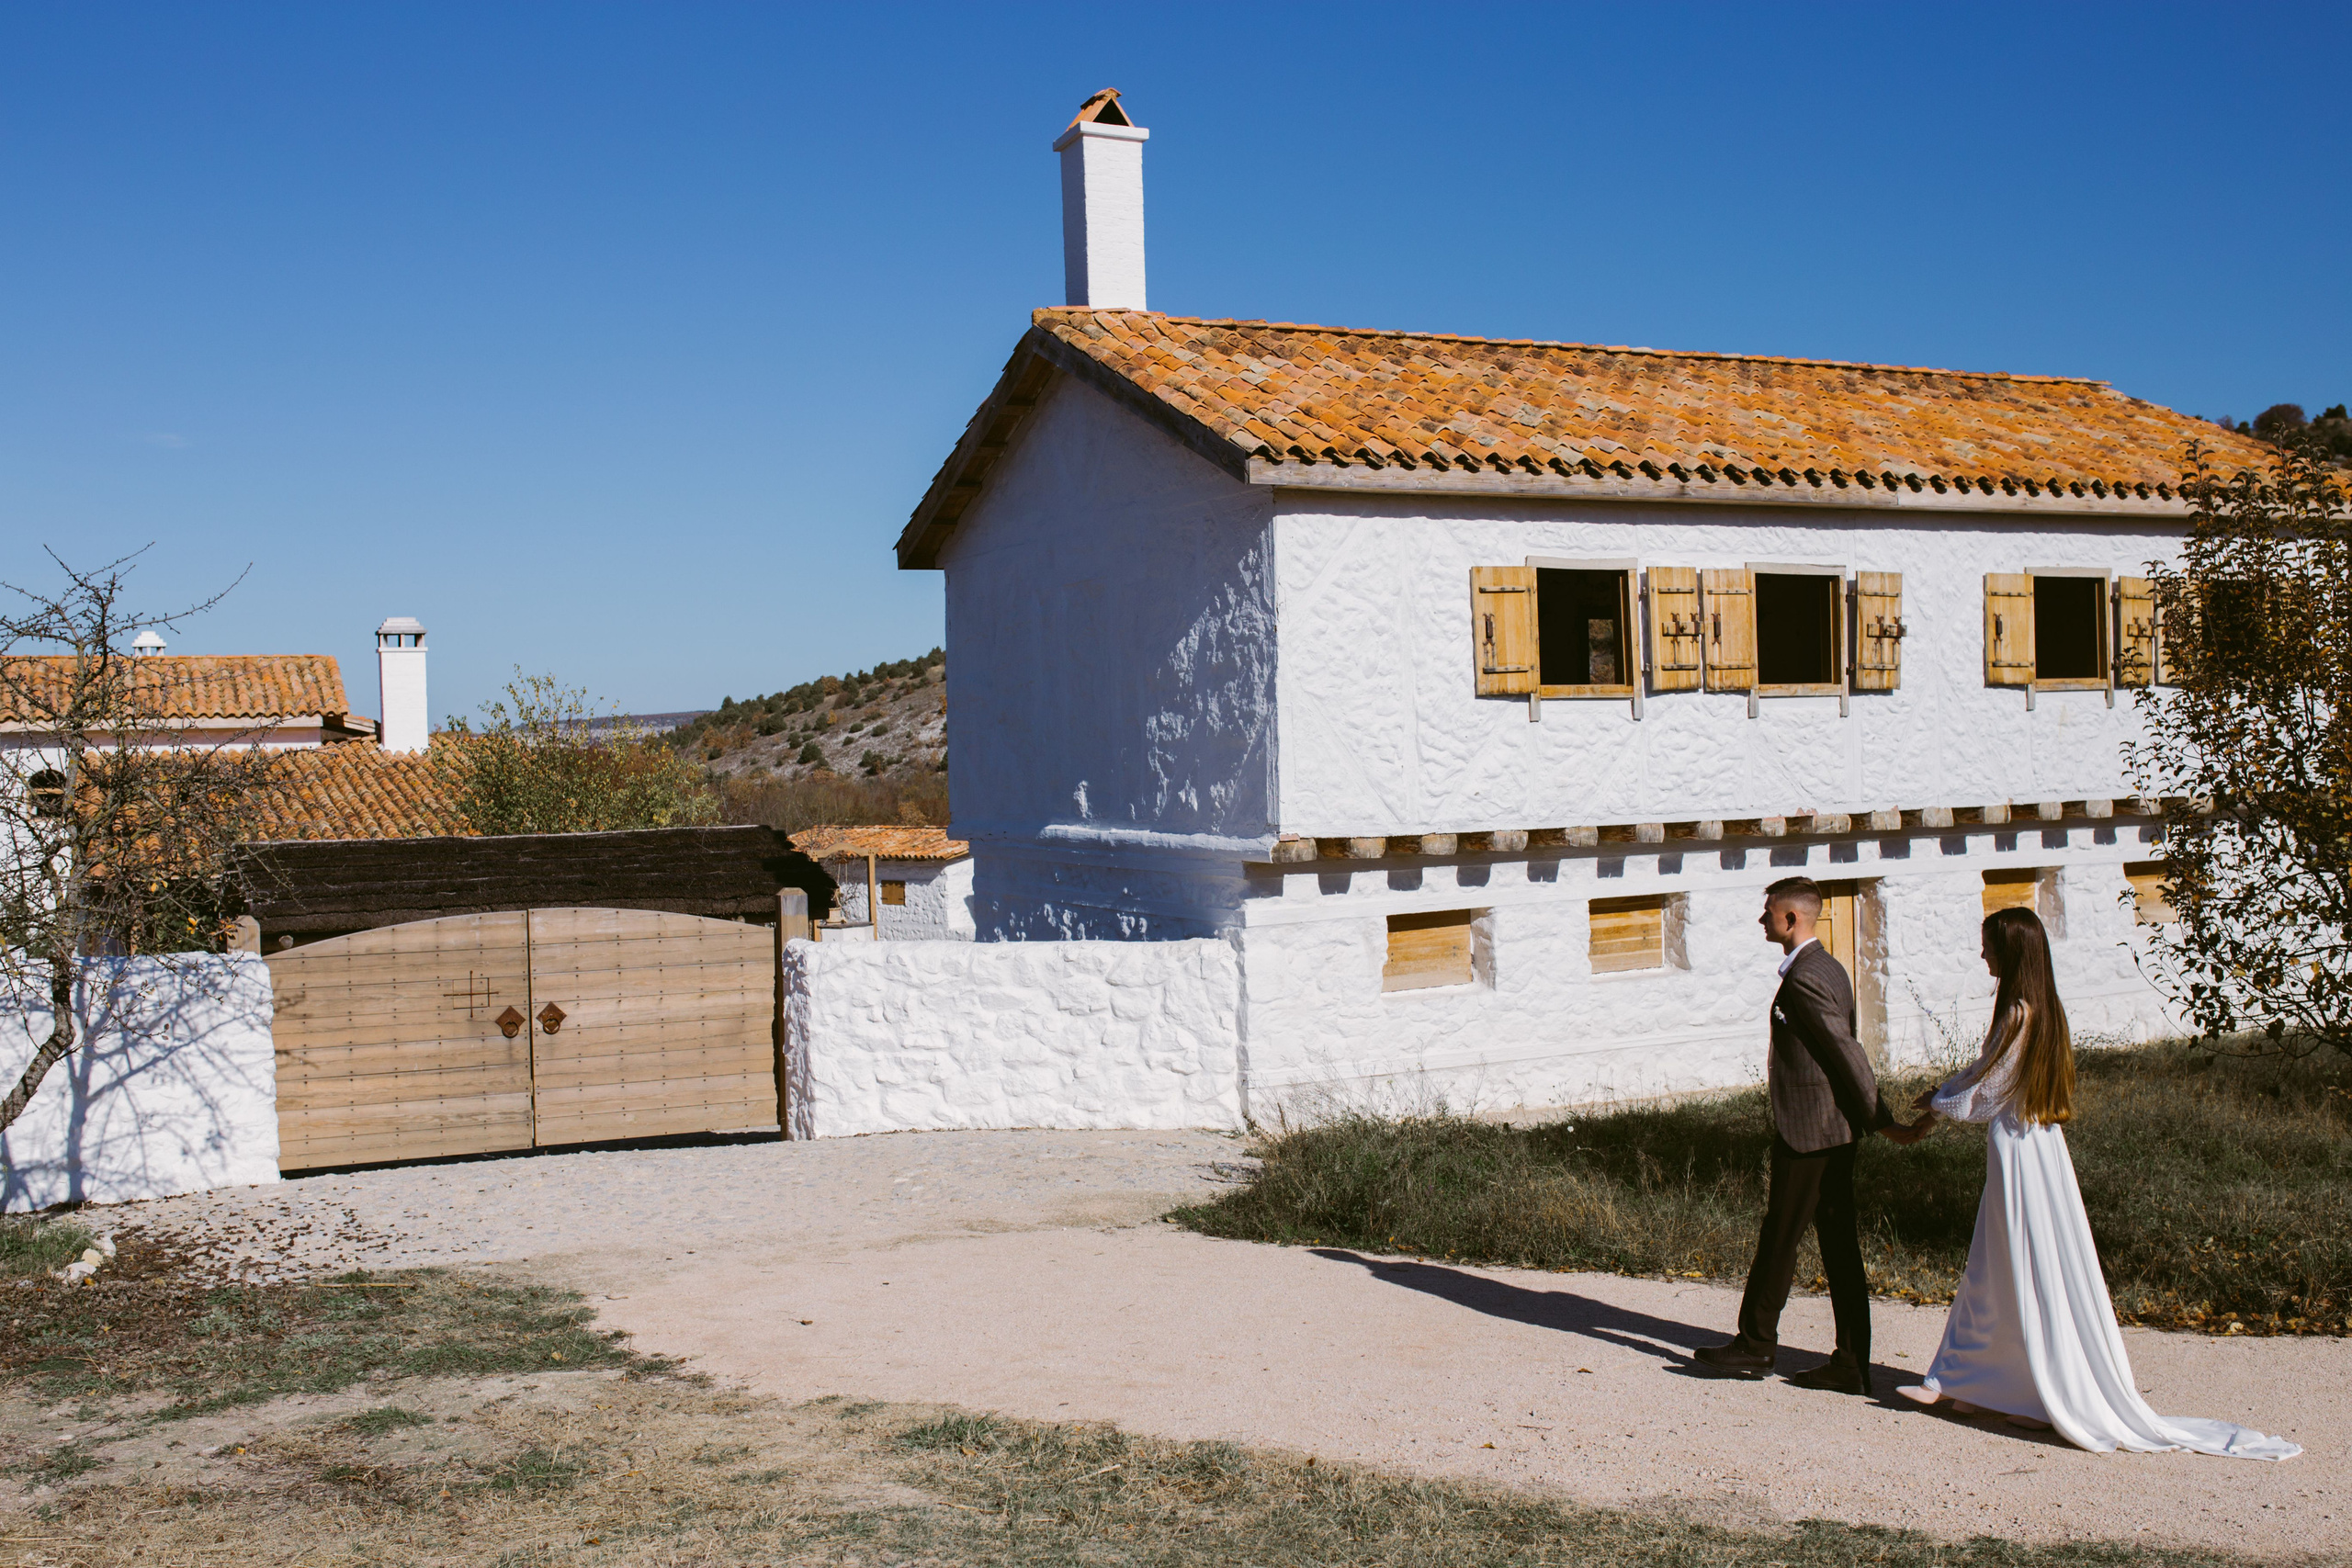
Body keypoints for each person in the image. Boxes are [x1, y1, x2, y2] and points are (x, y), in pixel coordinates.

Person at [1893, 907, 2301, 1460]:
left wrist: (1940, 1103)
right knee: (2009, 1261)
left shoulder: (2019, 1012)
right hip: (2031, 1144)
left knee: (2015, 1262)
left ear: (2010, 951)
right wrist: (1940, 1101)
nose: (1982, 954)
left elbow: (1988, 1092)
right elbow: (1982, 1071)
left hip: (2021, 1148)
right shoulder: (2037, 1008)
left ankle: (2000, 1386)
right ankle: (1982, 1383)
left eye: (1988, 945)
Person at [1696, 876, 1917, 1395]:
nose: (1762, 919)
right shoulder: (1829, 966)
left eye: (1768, 911)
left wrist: (1885, 1122)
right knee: (1839, 1246)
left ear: (1791, 918)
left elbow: (1846, 1051)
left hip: (1811, 1131)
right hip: (1832, 1129)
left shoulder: (1805, 978)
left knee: (1780, 1237)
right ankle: (1851, 1363)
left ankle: (1755, 1345)